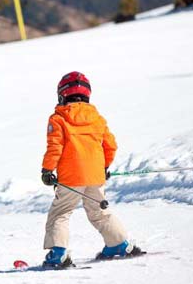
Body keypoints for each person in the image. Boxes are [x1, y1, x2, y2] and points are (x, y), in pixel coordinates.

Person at [40, 71, 142, 268]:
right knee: (99, 211)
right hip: (95, 176)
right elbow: (110, 146)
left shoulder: (58, 119)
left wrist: (47, 170)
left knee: (61, 213)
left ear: (62, 94)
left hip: (71, 178)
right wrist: (103, 167)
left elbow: (55, 148)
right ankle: (119, 244)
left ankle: (58, 253)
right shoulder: (97, 118)